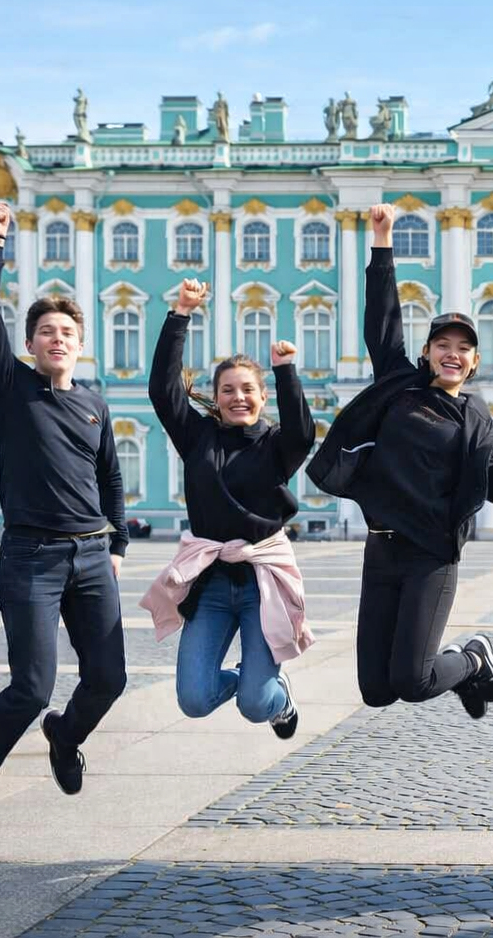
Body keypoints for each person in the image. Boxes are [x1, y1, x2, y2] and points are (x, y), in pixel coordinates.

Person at [306, 204, 493, 719]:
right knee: (376, 690)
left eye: (464, 348)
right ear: (426, 351)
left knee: (413, 682)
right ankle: (468, 666)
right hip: (381, 549)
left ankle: (473, 659)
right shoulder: (399, 384)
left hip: (431, 556)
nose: (452, 353)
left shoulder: (474, 418)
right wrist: (382, 240)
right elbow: (382, 321)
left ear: (475, 361)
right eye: (443, 344)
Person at [0, 201, 128, 848]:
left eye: (67, 332)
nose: (57, 339)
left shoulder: (94, 404)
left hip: (92, 556)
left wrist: (117, 544)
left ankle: (65, 735)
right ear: (29, 345)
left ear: (80, 345)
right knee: (30, 687)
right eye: (46, 332)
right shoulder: (11, 387)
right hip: (31, 557)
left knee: (109, 679)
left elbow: (111, 479)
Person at [139, 278, 316, 740]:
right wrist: (180, 314)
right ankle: (251, 681)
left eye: (248, 389)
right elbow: (163, 391)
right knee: (194, 700)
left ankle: (275, 697)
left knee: (256, 706)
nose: (238, 397)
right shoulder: (198, 437)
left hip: (262, 582)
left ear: (262, 397)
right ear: (215, 398)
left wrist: (286, 370)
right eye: (228, 390)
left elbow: (303, 433)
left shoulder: (276, 446)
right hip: (212, 583)